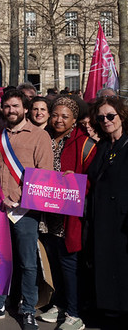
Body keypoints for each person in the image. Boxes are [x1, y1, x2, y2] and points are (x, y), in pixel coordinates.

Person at [0, 90, 52, 330]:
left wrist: (23, 202)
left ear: (25, 108)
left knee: (27, 263)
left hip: (25, 210)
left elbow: (45, 175)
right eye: (7, 106)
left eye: (16, 106)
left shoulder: (40, 136)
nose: (11, 110)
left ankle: (27, 308)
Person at [36, 96, 87, 330]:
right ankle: (58, 304)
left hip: (68, 214)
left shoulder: (83, 142)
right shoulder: (44, 137)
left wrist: (74, 180)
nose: (58, 119)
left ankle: (74, 313)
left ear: (74, 120)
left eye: (65, 116)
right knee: (52, 261)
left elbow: (92, 179)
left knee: (69, 263)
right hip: (47, 213)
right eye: (55, 114)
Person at [86, 96, 128, 323]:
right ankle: (109, 308)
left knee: (121, 264)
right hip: (101, 215)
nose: (106, 120)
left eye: (110, 116)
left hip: (122, 217)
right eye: (101, 117)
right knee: (105, 262)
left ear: (121, 116)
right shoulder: (103, 145)